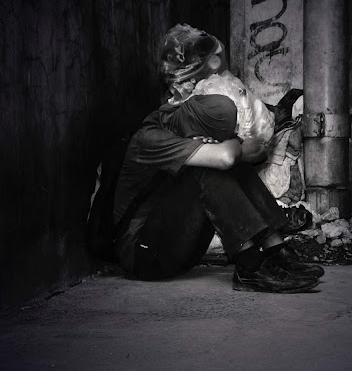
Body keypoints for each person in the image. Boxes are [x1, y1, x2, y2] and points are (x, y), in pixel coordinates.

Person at [111, 27, 324, 293]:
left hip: (179, 248)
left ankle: (276, 250)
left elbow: (255, 152)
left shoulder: (188, 128)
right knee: (206, 169)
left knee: (228, 164)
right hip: (142, 254)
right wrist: (231, 148)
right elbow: (226, 156)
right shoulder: (150, 136)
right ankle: (250, 265)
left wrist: (231, 149)